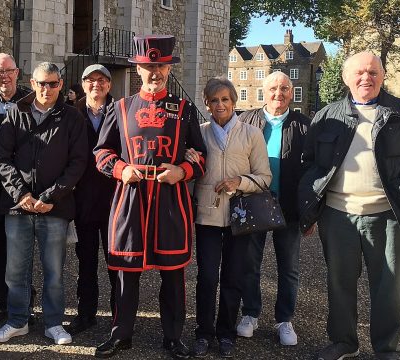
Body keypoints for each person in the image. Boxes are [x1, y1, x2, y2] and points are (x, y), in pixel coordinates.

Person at [298, 52, 400, 360]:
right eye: (359, 73)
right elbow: (310, 164)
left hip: (387, 216)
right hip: (337, 216)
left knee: (388, 287)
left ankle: (387, 349)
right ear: (347, 78)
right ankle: (344, 342)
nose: (367, 78)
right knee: (339, 283)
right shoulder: (326, 116)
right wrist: (309, 210)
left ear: (383, 76)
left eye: (373, 72)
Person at [92, 34, 206, 359]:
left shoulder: (184, 110)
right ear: (137, 69)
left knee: (173, 274)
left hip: (170, 200)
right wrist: (120, 170)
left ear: (168, 68)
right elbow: (101, 152)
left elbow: (201, 155)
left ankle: (173, 337)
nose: (154, 72)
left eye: (160, 65)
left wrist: (183, 171)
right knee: (127, 273)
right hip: (132, 198)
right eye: (147, 66)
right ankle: (121, 334)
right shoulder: (121, 107)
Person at [0, 62, 88, 345]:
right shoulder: (16, 114)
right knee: (15, 270)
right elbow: (2, 158)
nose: (47, 89)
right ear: (32, 84)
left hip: (54, 208)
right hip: (18, 206)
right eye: (41, 84)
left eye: (53, 84)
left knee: (54, 270)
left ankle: (54, 323)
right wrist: (22, 195)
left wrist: (49, 197)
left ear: (61, 85)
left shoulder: (72, 117)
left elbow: (77, 162)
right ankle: (17, 320)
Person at [187, 77, 271, 358]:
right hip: (208, 215)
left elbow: (264, 178)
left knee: (234, 277)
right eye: (214, 100)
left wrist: (240, 181)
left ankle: (226, 333)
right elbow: (192, 169)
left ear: (234, 102)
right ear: (207, 105)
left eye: (225, 99)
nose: (220, 104)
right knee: (207, 277)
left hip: (240, 216)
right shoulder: (199, 133)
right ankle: (203, 332)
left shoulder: (252, 134)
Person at [236, 71, 309, 346]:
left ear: (291, 93)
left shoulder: (303, 125)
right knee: (249, 263)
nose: (278, 94)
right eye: (273, 89)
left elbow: (313, 172)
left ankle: (284, 319)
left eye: (284, 89)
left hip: (289, 206)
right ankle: (250, 313)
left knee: (288, 267)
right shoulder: (246, 120)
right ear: (263, 92)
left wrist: (310, 212)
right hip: (253, 203)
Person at [0, 53, 33, 324]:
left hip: (22, 187)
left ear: (17, 72)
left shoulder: (29, 102)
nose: (4, 76)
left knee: (21, 247)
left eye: (8, 71)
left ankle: (24, 301)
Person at [68, 64, 117, 335]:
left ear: (109, 85)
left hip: (113, 200)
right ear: (83, 84)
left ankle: (118, 315)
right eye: (90, 80)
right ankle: (86, 314)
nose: (96, 84)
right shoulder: (72, 114)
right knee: (85, 262)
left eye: (101, 80)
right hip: (84, 200)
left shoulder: (120, 112)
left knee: (116, 262)